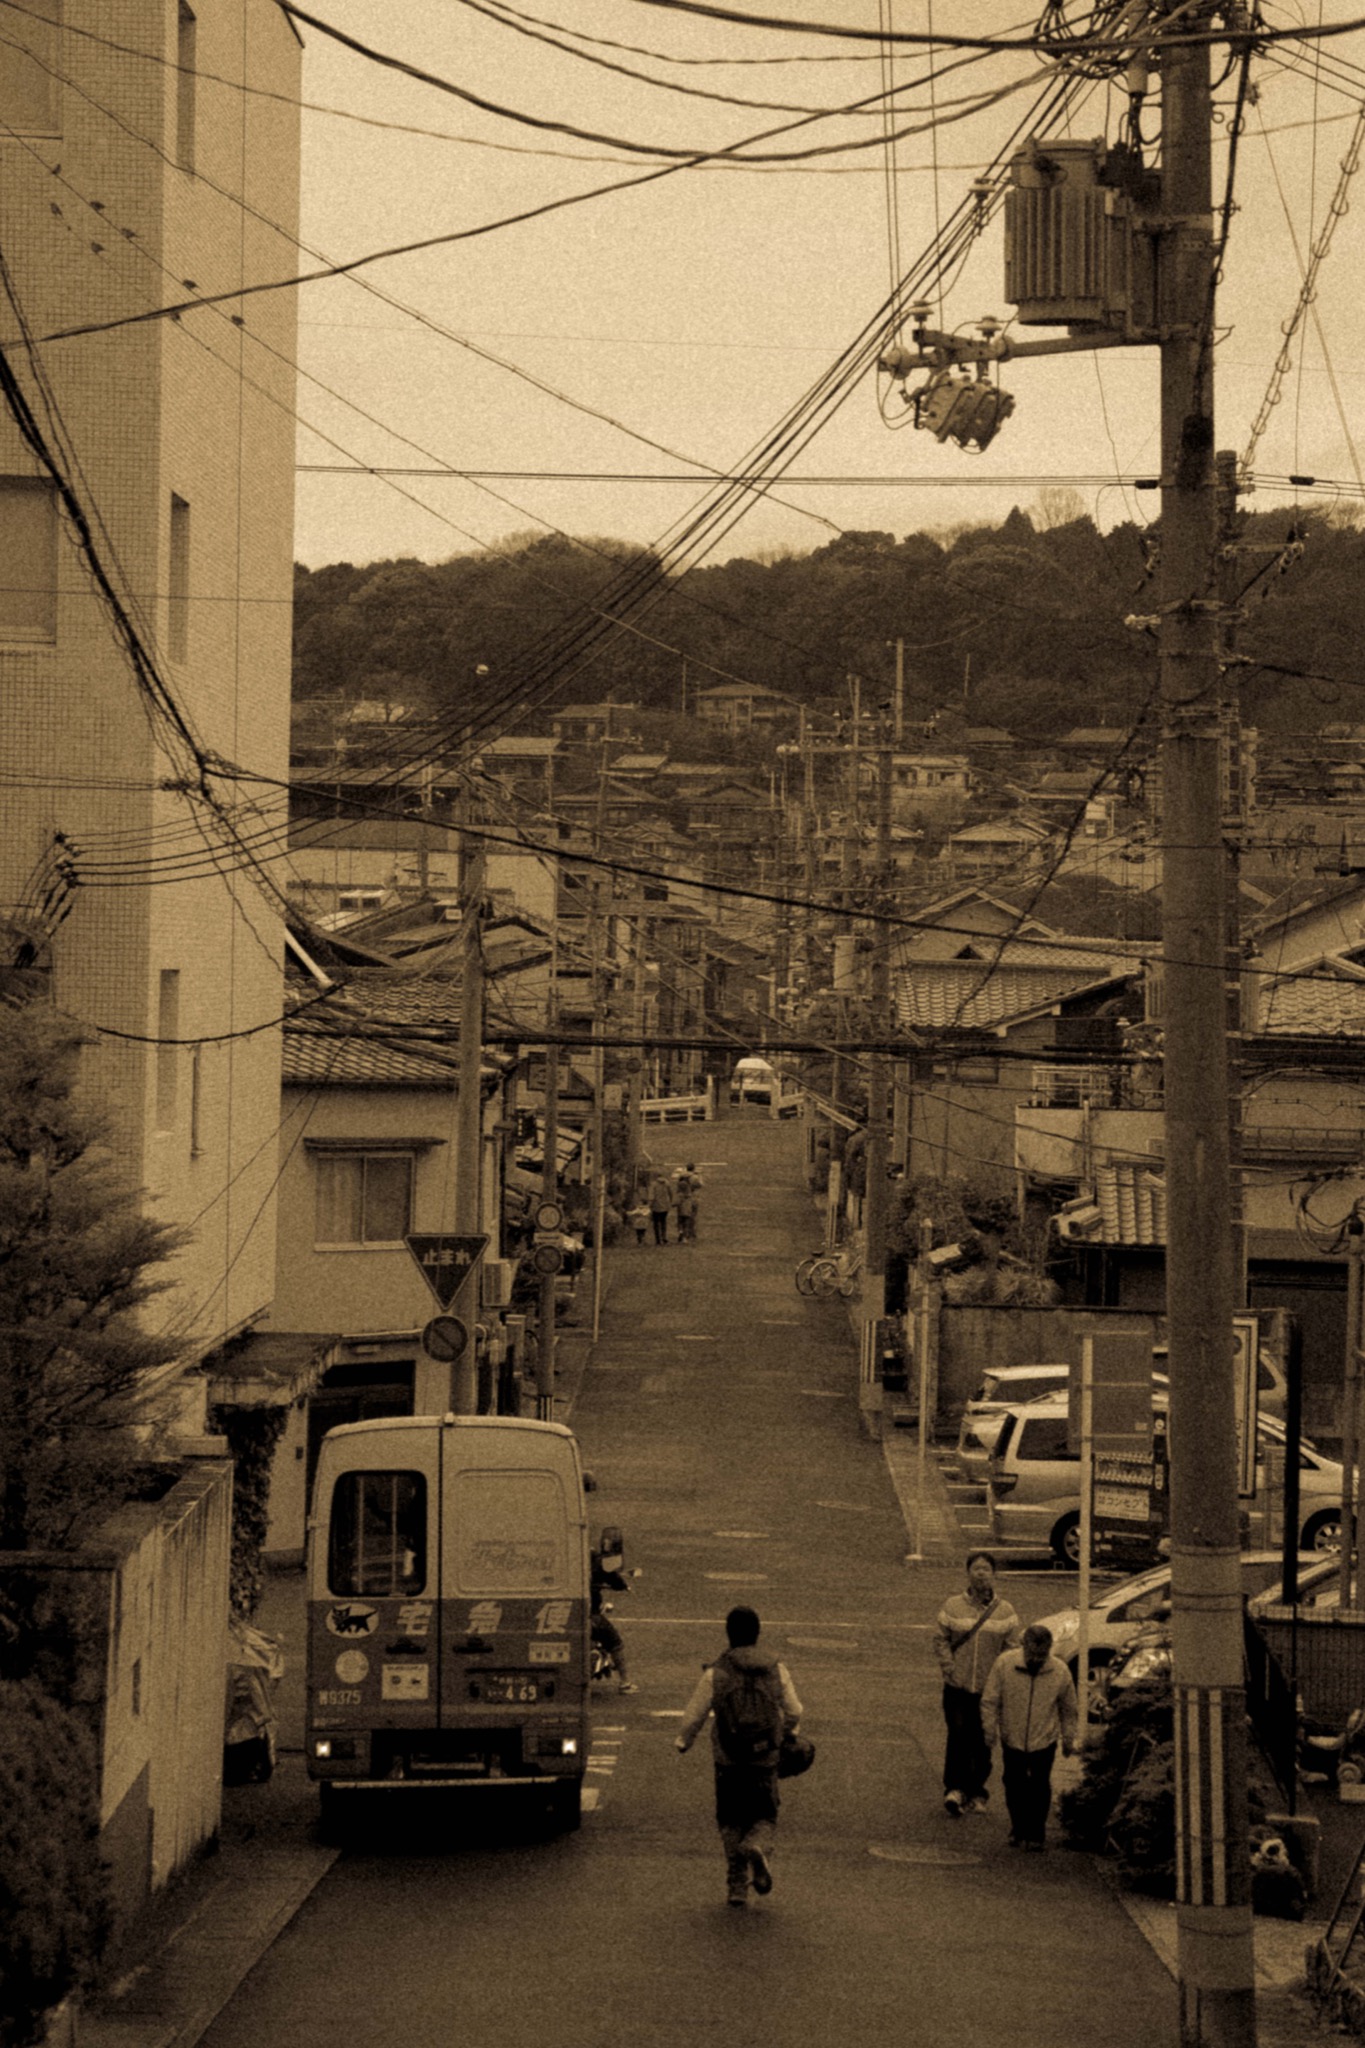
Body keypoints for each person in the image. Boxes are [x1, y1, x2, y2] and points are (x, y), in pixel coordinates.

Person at [675, 1605, 802, 1907]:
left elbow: (695, 1715)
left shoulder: (717, 1672)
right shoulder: (776, 1668)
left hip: (728, 1758)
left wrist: (683, 1741)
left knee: (730, 1818)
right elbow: (795, 1710)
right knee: (765, 1815)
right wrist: (786, 1733)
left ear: (728, 1634)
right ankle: (756, 1845)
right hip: (765, 1759)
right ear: (758, 1633)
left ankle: (736, 1885)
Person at [932, 1549, 1022, 1819]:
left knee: (983, 1741)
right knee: (958, 1736)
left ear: (994, 1574)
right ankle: (955, 1789)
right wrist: (949, 1667)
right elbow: (941, 1639)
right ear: (968, 1573)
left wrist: (1003, 1681)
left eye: (986, 1568)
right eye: (976, 1568)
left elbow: (1010, 1649)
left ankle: (976, 1790)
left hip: (989, 1691)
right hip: (957, 1687)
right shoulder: (952, 1606)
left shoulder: (1005, 1612)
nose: (981, 1573)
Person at [979, 1622, 1078, 1851]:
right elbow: (991, 1700)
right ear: (1024, 1647)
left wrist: (1068, 1737)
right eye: (1033, 1654)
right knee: (1014, 1783)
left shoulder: (1060, 1671)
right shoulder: (1005, 1664)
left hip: (1044, 1738)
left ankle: (1036, 1832)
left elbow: (1068, 1708)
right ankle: (1018, 1826)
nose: (1037, 1659)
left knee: (1039, 1785)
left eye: (1042, 1655)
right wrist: (989, 1729)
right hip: (1012, 1735)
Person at [590, 1542, 637, 1694]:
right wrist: (623, 1585)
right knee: (615, 1643)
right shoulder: (597, 1561)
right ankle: (625, 1683)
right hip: (591, 1616)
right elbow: (612, 1576)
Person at [673, 1163, 703, 1244]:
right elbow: (700, 1185)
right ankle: (689, 1233)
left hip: (681, 1199)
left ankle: (681, 1231)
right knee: (691, 1216)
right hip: (691, 1198)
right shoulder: (694, 1177)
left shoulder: (681, 1177)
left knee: (680, 1218)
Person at [647, 1170, 674, 1246]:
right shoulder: (667, 1183)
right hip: (665, 1205)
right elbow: (671, 1193)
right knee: (663, 1222)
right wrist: (670, 1201)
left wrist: (650, 1205)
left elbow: (651, 1196)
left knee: (656, 1223)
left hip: (656, 1206)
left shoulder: (653, 1185)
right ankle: (664, 1237)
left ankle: (658, 1240)